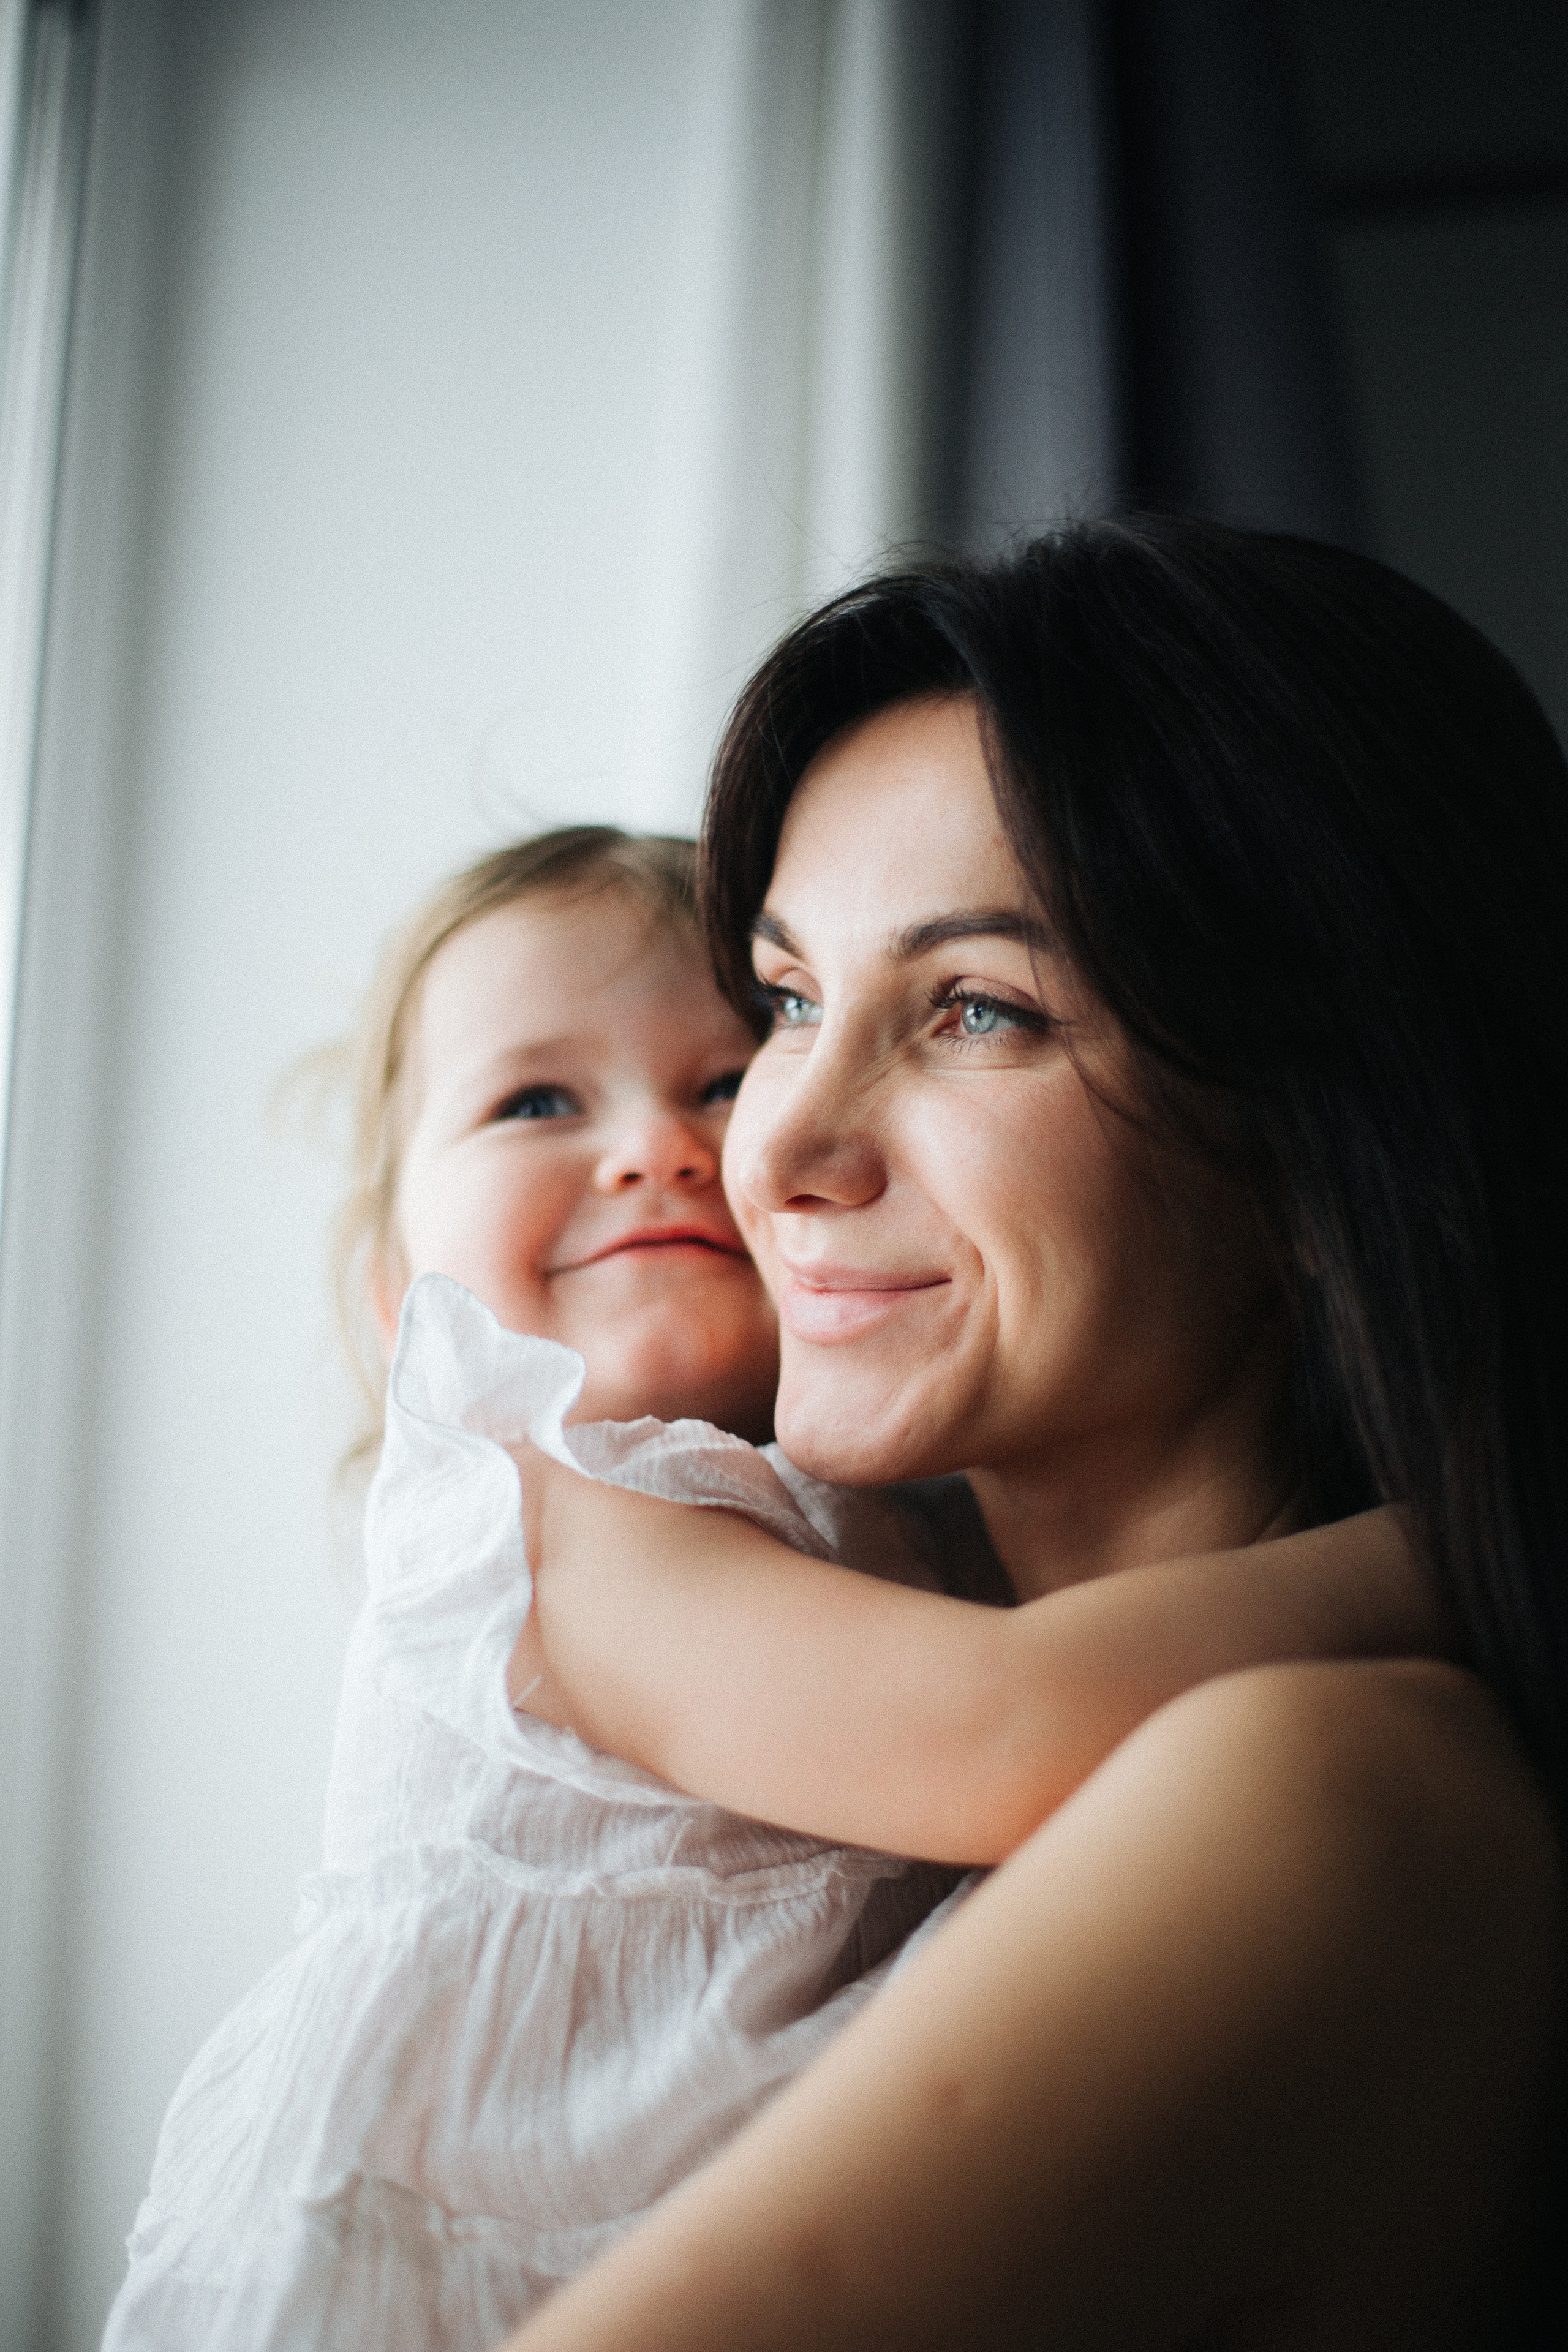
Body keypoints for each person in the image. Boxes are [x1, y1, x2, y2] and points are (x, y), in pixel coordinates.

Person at [102, 813, 1432, 2352]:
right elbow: (1008, 1727)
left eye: (725, 1077)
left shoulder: (892, 1537)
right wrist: (1462, 1544)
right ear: (405, 1290)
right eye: (534, 1099)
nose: (657, 1147)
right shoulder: (552, 1521)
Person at [494, 520, 1568, 2351]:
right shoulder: (799, 1667)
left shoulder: (1327, 1796)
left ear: (1321, 1144)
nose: (775, 1146)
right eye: (792, 1003)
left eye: (977, 1010)